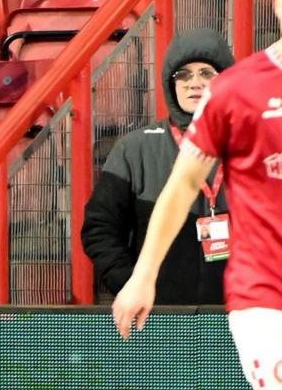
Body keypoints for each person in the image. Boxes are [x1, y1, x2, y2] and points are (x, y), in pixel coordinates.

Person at [112, 0, 282, 384]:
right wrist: (142, 276)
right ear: (275, 4)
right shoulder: (235, 90)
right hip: (263, 293)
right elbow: (184, 183)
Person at [85, 30, 235, 307]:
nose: (194, 83)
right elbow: (100, 228)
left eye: (206, 73)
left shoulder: (250, 146)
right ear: (170, 83)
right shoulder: (134, 150)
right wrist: (133, 284)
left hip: (242, 316)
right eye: (183, 75)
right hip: (159, 318)